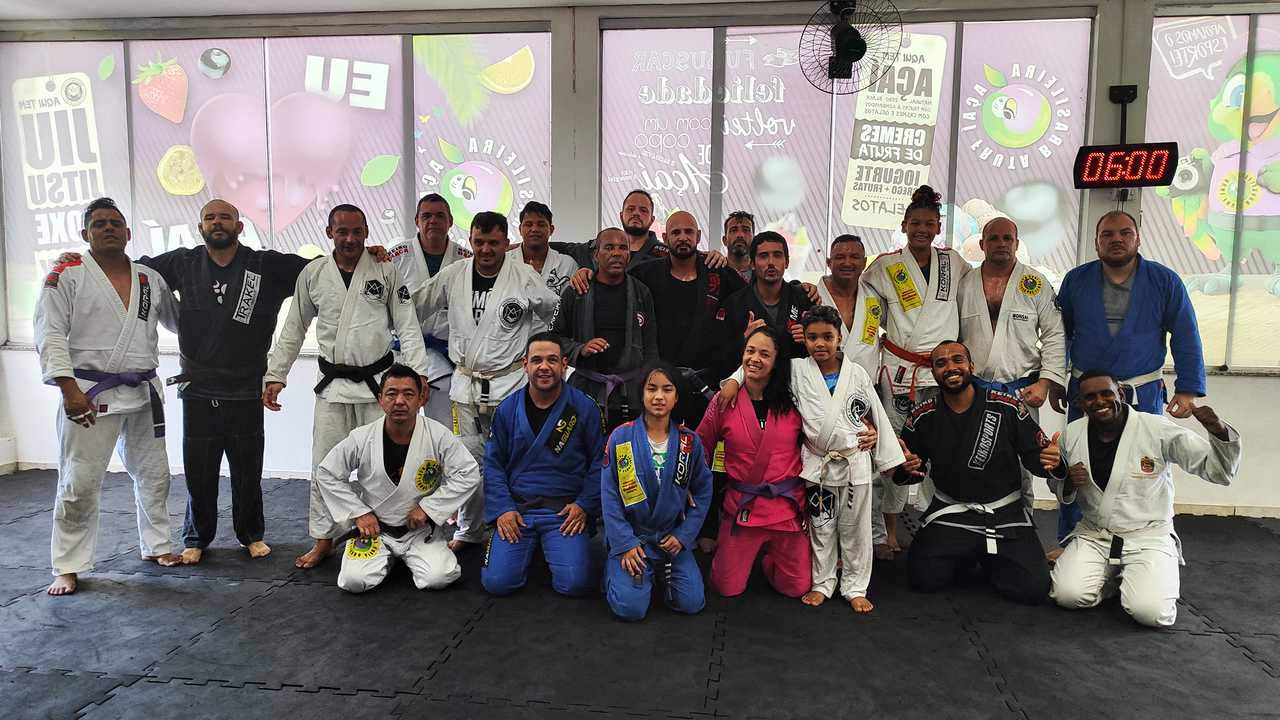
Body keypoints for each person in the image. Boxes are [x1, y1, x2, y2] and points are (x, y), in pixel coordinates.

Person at [264, 204, 431, 570]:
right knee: (325, 464)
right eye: (342, 232)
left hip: (377, 389)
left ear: (367, 231)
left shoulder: (385, 271)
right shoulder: (313, 274)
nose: (351, 239)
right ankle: (325, 538)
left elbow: (407, 326)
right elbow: (293, 327)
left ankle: (389, 533)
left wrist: (419, 376)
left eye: (357, 231)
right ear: (330, 233)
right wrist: (276, 375)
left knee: (384, 465)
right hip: (333, 387)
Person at [35, 197, 183, 595]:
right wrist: (68, 389)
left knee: (154, 474)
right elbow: (49, 333)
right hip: (88, 392)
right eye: (99, 224)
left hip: (143, 392)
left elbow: (181, 323)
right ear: (85, 234)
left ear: (128, 233)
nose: (108, 228)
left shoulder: (149, 279)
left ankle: (157, 545)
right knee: (79, 480)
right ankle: (67, 565)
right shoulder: (66, 275)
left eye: (115, 223)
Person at [718, 307, 903, 610]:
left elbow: (876, 413)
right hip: (818, 465)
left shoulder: (857, 373)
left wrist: (885, 452)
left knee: (856, 530)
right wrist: (733, 380)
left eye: (827, 337)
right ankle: (822, 583)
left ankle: (855, 586)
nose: (820, 344)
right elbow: (760, 368)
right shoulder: (795, 370)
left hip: (854, 461)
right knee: (820, 527)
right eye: (812, 337)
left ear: (839, 338)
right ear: (803, 339)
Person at [1053, 210, 1206, 557]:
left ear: (1138, 238)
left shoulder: (1165, 280)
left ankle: (1146, 542)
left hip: (1142, 391)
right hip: (1086, 392)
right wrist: (1055, 378)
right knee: (1078, 465)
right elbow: (1060, 335)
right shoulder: (1076, 280)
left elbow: (1185, 334)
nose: (1116, 239)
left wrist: (1187, 389)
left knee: (1144, 467)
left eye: (1125, 233)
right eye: (1107, 234)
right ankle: (1072, 540)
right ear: (1096, 243)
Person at [412, 211, 561, 551]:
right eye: (479, 242)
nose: (485, 249)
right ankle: (469, 530)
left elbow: (555, 313)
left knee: (519, 460)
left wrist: (540, 356)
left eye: (493, 242)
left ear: (507, 243)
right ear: (470, 241)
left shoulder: (523, 277)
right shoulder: (454, 274)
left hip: (511, 385)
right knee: (467, 463)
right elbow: (413, 306)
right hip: (466, 386)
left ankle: (524, 530)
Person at [1048, 370, 1240, 627]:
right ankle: (1113, 584)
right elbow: (1058, 485)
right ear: (1082, 403)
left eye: (1106, 393)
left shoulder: (1156, 429)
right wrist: (1068, 480)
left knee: (1151, 613)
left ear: (1121, 394)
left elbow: (1218, 471)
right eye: (1090, 397)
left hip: (1148, 536)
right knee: (1067, 596)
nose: (1100, 401)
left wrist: (1218, 431)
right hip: (1096, 535)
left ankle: (1149, 577)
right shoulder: (1072, 434)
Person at [893, 341, 1064, 606]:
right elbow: (911, 470)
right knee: (922, 578)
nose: (951, 367)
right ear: (934, 373)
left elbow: (1037, 457)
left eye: (957, 360)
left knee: (1033, 589)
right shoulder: (922, 415)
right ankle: (971, 555)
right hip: (952, 512)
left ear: (971, 366)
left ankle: (985, 557)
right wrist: (905, 468)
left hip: (1004, 514)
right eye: (941, 363)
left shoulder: (1007, 406)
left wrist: (1051, 461)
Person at [861, 185, 971, 560]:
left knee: (942, 449)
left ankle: (937, 522)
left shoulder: (954, 263)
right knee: (893, 448)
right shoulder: (884, 267)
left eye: (929, 223)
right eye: (915, 223)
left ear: (938, 227)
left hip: (942, 373)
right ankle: (886, 529)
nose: (922, 229)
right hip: (900, 372)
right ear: (904, 226)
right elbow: (865, 312)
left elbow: (968, 306)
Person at [313, 364, 480, 593]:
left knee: (439, 577)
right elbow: (327, 472)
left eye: (408, 394)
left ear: (420, 399)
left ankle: (402, 558)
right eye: (392, 394)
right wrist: (359, 514)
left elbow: (468, 472)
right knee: (354, 581)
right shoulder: (362, 437)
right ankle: (386, 557)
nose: (399, 401)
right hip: (374, 531)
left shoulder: (438, 435)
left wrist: (430, 508)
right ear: (380, 399)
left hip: (419, 531)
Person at [481, 333, 605, 597]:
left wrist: (584, 505)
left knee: (576, 584)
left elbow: (600, 462)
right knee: (497, 582)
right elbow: (493, 464)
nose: (544, 367)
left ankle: (550, 547)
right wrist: (503, 508)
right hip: (519, 511)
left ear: (564, 364)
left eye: (552, 360)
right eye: (537, 360)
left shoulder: (585, 408)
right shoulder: (506, 409)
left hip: (564, 513)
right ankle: (535, 549)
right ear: (525, 364)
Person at [957, 217, 1066, 507]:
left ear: (1017, 243)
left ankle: (1024, 521)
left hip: (1022, 390)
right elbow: (951, 334)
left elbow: (1055, 334)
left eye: (1008, 238)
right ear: (982, 244)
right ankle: (970, 522)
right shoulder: (965, 284)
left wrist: (1045, 383)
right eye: (994, 238)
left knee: (1023, 463)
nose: (1001, 243)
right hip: (974, 390)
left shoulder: (1035, 283)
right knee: (970, 457)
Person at [696, 326, 810, 598]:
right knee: (724, 588)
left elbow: (826, 431)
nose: (755, 359)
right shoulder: (724, 400)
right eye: (750, 351)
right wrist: (692, 488)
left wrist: (865, 428)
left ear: (777, 361)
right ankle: (749, 552)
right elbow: (701, 445)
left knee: (796, 588)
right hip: (743, 507)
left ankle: (770, 557)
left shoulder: (797, 400)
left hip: (786, 508)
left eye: (764, 354)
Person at [601, 362, 714, 621]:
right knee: (631, 609)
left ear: (677, 397)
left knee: (691, 603)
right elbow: (609, 495)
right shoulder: (621, 437)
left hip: (671, 539)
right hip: (634, 539)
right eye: (651, 389)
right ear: (642, 394)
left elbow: (703, 492)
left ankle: (660, 575)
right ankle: (613, 568)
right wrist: (624, 543)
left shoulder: (689, 441)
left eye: (667, 389)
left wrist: (684, 535)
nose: (659, 396)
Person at [552, 228, 659, 435]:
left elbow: (650, 347)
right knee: (582, 449)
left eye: (623, 248)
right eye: (609, 247)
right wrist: (580, 349)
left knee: (627, 451)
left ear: (629, 255)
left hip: (630, 394)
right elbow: (554, 339)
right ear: (596, 255)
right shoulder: (577, 291)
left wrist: (651, 388)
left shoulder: (641, 293)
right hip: (585, 391)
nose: (616, 253)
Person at [386, 193, 472, 426]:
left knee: (443, 427)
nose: (433, 220)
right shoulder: (396, 256)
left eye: (440, 216)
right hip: (402, 352)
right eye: (426, 216)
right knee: (399, 423)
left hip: (445, 355)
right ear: (417, 221)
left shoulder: (466, 260)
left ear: (450, 221)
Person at [723, 231, 815, 359]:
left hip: (797, 372)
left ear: (787, 262)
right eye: (764, 256)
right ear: (752, 264)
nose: (771, 262)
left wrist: (812, 340)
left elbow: (829, 351)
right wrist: (743, 339)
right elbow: (718, 360)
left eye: (777, 255)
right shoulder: (734, 304)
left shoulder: (805, 299)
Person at [815, 234, 882, 378]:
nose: (847, 263)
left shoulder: (874, 296)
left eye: (854, 257)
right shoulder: (812, 298)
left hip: (866, 385)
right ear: (829, 262)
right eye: (840, 257)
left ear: (864, 262)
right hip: (822, 383)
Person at [511, 201, 578, 302]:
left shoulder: (567, 265)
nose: (534, 229)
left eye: (541, 225)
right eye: (528, 225)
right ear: (520, 229)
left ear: (551, 229)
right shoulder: (506, 261)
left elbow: (572, 304)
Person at [722, 210, 755, 279]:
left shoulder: (763, 275)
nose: (740, 235)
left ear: (754, 239)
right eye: (733, 230)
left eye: (745, 230)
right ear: (725, 240)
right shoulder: (713, 273)